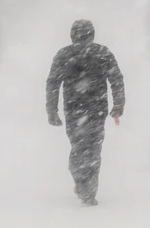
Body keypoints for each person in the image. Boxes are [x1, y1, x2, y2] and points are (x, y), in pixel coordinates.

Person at [46, 20, 125, 206]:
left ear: (72, 34)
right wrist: (118, 105)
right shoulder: (102, 53)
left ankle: (80, 178)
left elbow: (53, 84)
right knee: (94, 148)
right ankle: (89, 186)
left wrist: (52, 111)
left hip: (74, 109)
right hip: (97, 109)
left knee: (78, 145)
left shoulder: (64, 55)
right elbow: (116, 79)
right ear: (92, 34)